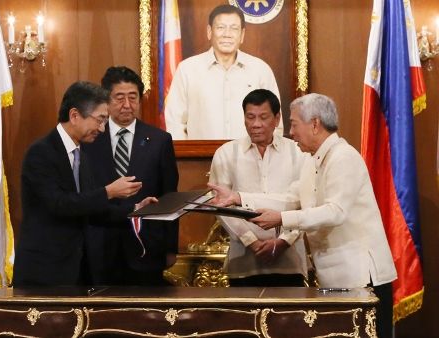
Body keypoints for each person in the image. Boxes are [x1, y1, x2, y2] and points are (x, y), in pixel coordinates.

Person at [246, 93, 397, 338]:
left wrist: (282, 219)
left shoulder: (344, 157)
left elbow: (335, 212)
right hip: (334, 278)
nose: (291, 132)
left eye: (294, 124)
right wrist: (239, 199)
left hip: (362, 279)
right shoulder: (312, 161)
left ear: (314, 124)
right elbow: (289, 198)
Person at [14, 81, 154, 287]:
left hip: (79, 270)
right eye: (99, 120)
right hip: (45, 270)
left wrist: (135, 209)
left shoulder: (82, 155)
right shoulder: (41, 152)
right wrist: (108, 192)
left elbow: (91, 209)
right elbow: (59, 204)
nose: (102, 128)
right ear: (74, 115)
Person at [83, 66, 179, 286]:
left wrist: (171, 248)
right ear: (106, 100)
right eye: (119, 98)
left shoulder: (159, 140)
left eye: (133, 97)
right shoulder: (90, 139)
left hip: (146, 248)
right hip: (100, 248)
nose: (127, 105)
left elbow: (169, 196)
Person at [208, 89, 307, 287]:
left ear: (277, 119)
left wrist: (283, 241)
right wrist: (251, 242)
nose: (255, 124)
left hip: (290, 260)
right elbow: (219, 205)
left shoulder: (298, 152)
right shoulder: (227, 153)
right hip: (243, 260)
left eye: (263, 117)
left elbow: (304, 203)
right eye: (250, 117)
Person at [164, 4, 283, 140]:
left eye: (234, 28)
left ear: (242, 35)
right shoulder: (187, 69)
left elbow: (275, 123)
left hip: (251, 158)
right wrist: (186, 158)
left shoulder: (260, 70)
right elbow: (175, 124)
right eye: (221, 28)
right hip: (200, 158)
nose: (227, 34)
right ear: (209, 31)